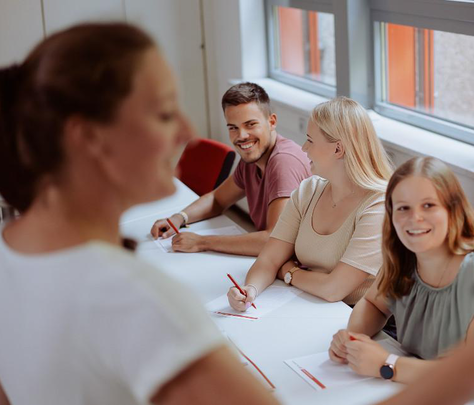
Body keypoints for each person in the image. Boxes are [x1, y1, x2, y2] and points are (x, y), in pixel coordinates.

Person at [0, 23, 278, 405]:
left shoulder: (12, 248)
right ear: (89, 138)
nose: (187, 130)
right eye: (164, 113)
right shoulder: (136, 300)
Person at [328, 156, 474, 384]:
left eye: (428, 205)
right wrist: (355, 338)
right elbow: (373, 304)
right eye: (403, 208)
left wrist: (387, 364)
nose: (415, 218)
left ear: (453, 209)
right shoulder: (403, 260)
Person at [227, 96, 393, 309]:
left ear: (338, 149)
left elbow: (333, 289)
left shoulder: (378, 206)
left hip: (362, 322)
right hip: (311, 304)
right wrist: (250, 290)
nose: (304, 148)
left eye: (310, 140)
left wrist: (290, 271)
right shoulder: (308, 190)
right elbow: (269, 260)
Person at [150, 82, 311, 256]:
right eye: (233, 127)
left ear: (271, 122)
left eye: (250, 124)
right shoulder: (253, 157)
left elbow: (274, 241)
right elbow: (217, 200)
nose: (241, 136)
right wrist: (178, 218)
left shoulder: (283, 162)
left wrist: (202, 242)